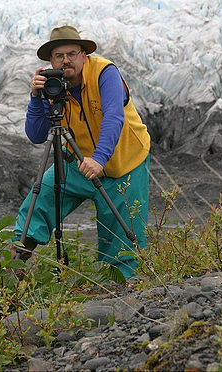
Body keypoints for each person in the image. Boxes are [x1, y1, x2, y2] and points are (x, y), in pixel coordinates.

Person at [12, 25, 150, 278]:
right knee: (39, 199)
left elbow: (113, 116)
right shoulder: (52, 84)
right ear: (50, 61)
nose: (66, 60)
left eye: (72, 53)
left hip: (124, 163)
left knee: (120, 237)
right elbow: (37, 135)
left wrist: (99, 159)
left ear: (84, 56)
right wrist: (36, 97)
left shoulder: (105, 73)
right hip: (79, 161)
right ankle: (13, 271)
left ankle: (120, 291)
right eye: (58, 56)